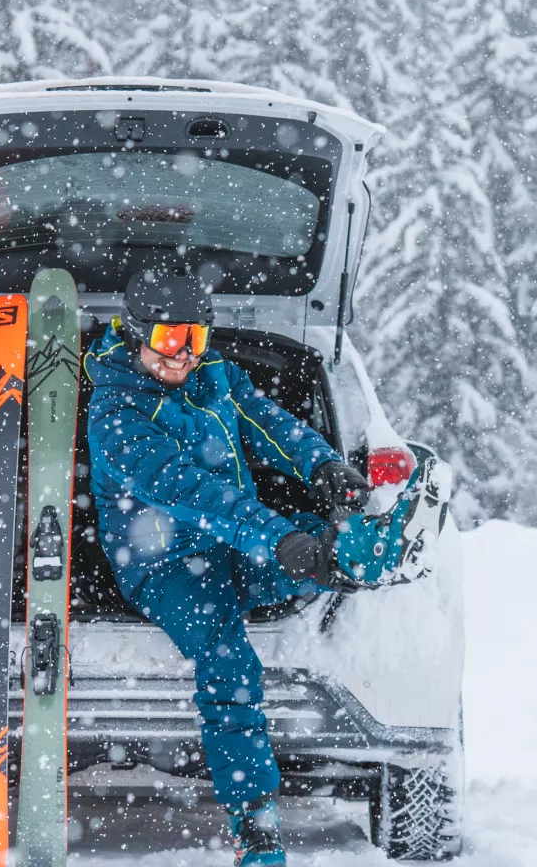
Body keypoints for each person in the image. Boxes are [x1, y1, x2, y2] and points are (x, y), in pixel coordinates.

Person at [84, 270, 376, 867]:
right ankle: (255, 820)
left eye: (195, 337)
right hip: (163, 562)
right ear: (135, 333)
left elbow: (274, 426)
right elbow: (187, 489)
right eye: (169, 339)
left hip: (237, 546)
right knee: (228, 655)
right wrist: (277, 537)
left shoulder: (217, 376)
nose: (184, 355)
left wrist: (323, 468)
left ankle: (368, 556)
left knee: (325, 550)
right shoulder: (114, 410)